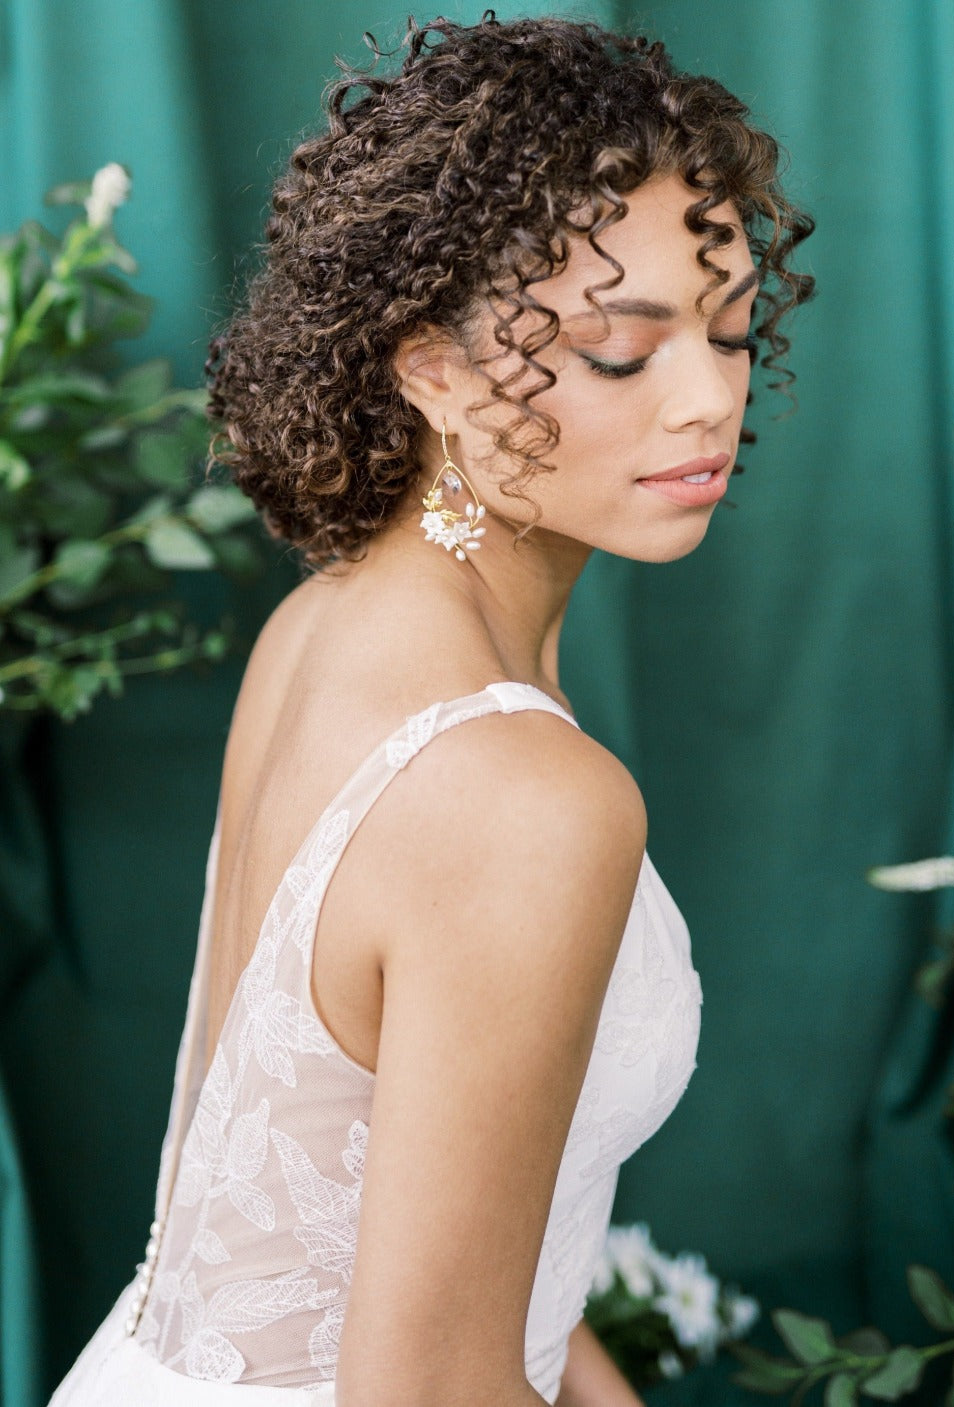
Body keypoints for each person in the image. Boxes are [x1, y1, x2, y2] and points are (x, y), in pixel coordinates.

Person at [47, 14, 814, 1407]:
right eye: (622, 354)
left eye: (732, 327)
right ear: (436, 371)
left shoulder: (327, 623)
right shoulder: (528, 797)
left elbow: (395, 1202)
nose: (707, 399)